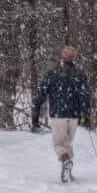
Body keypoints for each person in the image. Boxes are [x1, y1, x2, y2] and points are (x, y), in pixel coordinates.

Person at [31, 46, 92, 182]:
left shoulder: (52, 73)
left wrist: (35, 114)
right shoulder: (79, 74)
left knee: (59, 145)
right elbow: (84, 95)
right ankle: (67, 173)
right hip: (74, 116)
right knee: (67, 143)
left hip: (59, 114)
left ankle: (66, 163)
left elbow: (41, 94)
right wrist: (86, 115)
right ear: (73, 58)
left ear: (62, 57)